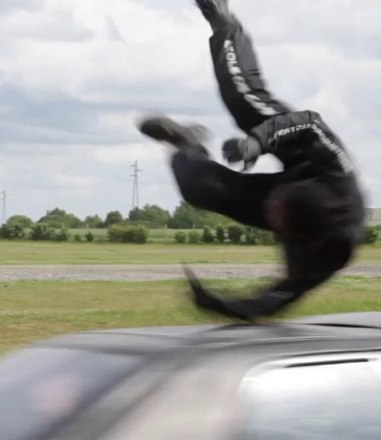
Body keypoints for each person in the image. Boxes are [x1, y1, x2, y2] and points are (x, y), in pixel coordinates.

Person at [139, 0, 367, 322]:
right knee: (243, 101)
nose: (270, 208)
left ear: (294, 237)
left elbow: (276, 299)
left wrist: (218, 304)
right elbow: (311, 123)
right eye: (275, 204)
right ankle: (223, 22)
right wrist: (257, 142)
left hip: (302, 209)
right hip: (301, 149)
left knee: (198, 189)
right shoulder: (337, 174)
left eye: (275, 216)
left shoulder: (326, 255)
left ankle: (186, 143)